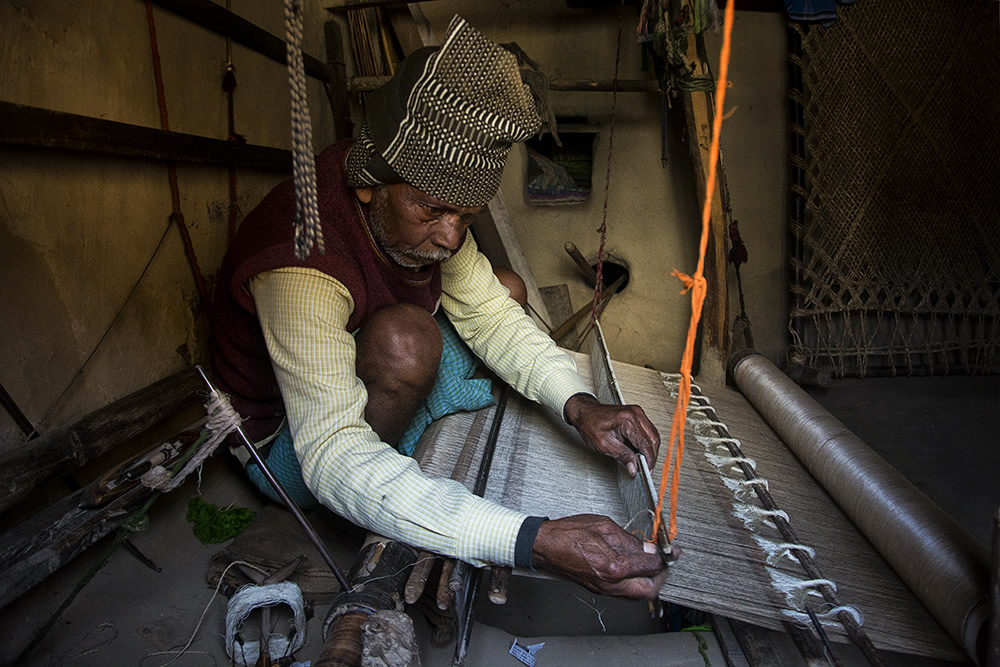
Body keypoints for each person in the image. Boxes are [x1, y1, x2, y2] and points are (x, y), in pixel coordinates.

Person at [213, 15, 667, 599]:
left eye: (467, 218)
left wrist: (580, 406)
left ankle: (412, 456)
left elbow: (492, 315)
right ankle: (382, 494)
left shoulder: (425, 213)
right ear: (370, 182)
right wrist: (530, 538)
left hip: (351, 369)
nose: (451, 238)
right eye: (431, 212)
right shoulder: (302, 261)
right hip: (284, 445)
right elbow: (331, 453)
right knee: (409, 343)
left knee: (504, 291)